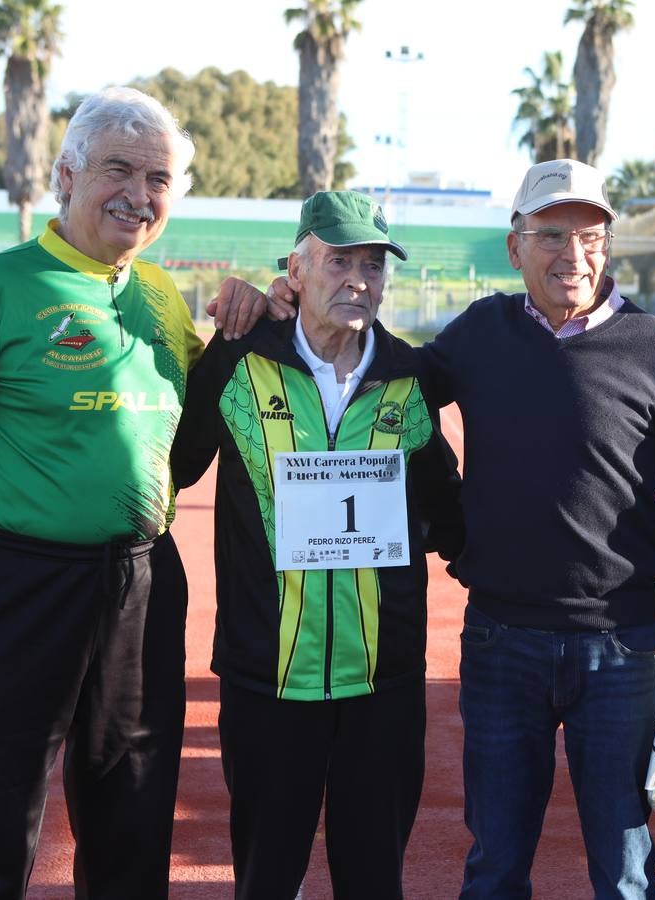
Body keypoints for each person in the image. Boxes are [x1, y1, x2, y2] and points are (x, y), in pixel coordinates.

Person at [211, 158, 655, 898]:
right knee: (494, 864)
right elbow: (382, 377)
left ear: (608, 245)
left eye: (588, 235)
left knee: (623, 868)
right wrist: (275, 302)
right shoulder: (480, 333)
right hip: (500, 647)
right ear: (515, 247)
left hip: (622, 644)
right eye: (549, 234)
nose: (570, 254)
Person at [0, 86, 203, 898]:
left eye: (158, 178)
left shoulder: (161, 296)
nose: (139, 194)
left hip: (139, 580)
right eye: (118, 170)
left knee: (131, 815)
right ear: (66, 174)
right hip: (14, 582)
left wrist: (256, 320)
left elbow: (183, 452)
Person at [169, 190, 463, 898]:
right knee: (266, 878)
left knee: (374, 880)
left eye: (373, 264)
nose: (359, 279)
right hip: (266, 679)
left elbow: (446, 510)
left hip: (380, 684)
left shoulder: (410, 377)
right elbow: (172, 468)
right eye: (339, 261)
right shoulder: (238, 360)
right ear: (295, 271)